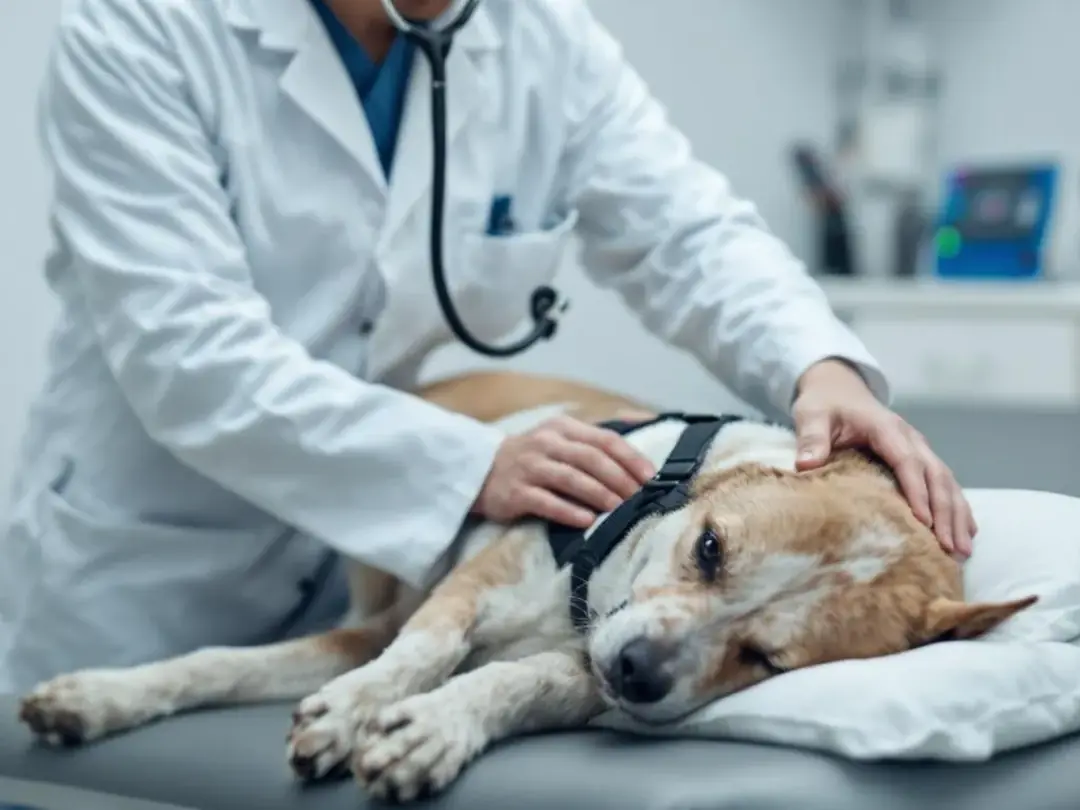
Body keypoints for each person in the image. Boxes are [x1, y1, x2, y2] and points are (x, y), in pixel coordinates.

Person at [0, 0, 975, 693]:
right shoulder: (138, 23)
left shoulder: (539, 36)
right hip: (150, 568)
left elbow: (685, 233)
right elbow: (187, 356)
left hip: (370, 584)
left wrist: (820, 365)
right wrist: (475, 462)